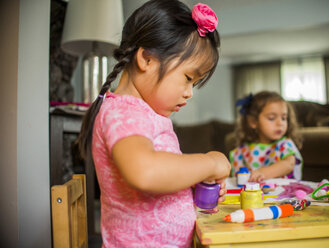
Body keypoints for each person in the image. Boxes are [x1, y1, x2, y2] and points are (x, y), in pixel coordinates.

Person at [76, 0, 231, 247]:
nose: (189, 93)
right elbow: (145, 172)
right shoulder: (124, 112)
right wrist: (210, 162)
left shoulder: (141, 113)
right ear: (146, 59)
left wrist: (190, 185)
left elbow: (154, 185)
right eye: (188, 78)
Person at [229, 91, 303, 182]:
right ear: (253, 121)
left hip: (283, 194)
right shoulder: (243, 151)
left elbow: (289, 164)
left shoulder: (285, 144)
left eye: (284, 118)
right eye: (271, 118)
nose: (280, 123)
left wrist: (263, 173)